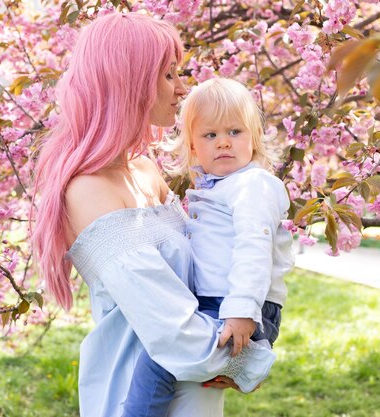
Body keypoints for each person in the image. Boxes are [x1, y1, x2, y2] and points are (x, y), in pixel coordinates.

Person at [31, 13, 276, 417]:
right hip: (137, 395)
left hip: (195, 390)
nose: (182, 89)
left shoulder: (145, 170)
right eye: (168, 76)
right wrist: (249, 360)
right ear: (129, 81)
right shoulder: (89, 189)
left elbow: (207, 266)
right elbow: (172, 329)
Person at [122, 78, 294, 416]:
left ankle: (251, 358)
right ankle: (245, 362)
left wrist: (242, 311)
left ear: (254, 137)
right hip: (219, 301)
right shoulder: (218, 188)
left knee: (158, 359)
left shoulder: (253, 184)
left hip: (237, 304)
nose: (224, 143)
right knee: (165, 359)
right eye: (210, 135)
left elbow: (254, 245)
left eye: (235, 131)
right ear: (192, 146)